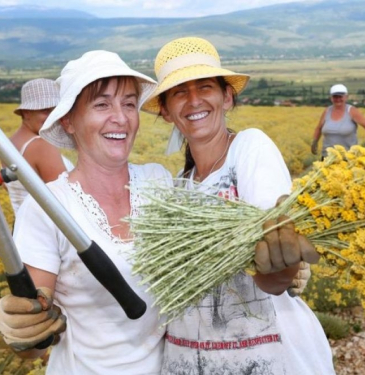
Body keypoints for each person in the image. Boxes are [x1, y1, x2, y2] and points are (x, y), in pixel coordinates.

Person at [0, 50, 316, 374]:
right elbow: (35, 338)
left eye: (128, 103)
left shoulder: (160, 183)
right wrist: (20, 329)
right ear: (68, 121)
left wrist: (282, 265)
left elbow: (219, 249)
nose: (120, 118)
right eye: (102, 104)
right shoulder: (46, 210)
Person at [142, 36, 335, 375]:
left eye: (205, 88)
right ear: (166, 111)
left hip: (263, 355)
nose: (193, 101)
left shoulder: (249, 147)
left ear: (227, 97)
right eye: (179, 93)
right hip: (190, 360)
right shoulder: (176, 187)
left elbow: (273, 247)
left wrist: (285, 267)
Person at [4, 79, 74, 215]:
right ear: (26, 113)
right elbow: (66, 198)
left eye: (56, 111)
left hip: (21, 230)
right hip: (48, 232)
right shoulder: (41, 145)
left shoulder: (10, 144)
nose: (52, 117)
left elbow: (12, 189)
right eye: (45, 110)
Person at [311, 83, 365, 159]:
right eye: (335, 97)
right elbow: (318, 128)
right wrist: (315, 141)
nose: (338, 99)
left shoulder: (352, 111)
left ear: (346, 97)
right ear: (331, 98)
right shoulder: (327, 111)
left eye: (340, 97)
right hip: (327, 157)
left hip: (347, 157)